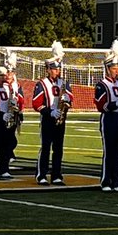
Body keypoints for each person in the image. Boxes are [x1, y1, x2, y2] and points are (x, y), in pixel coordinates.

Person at [32, 42, 72, 185]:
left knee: (58, 149)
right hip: (48, 119)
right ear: (48, 69)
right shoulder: (42, 83)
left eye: (58, 69)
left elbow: (70, 98)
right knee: (46, 147)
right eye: (54, 69)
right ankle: (41, 174)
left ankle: (56, 175)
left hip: (61, 118)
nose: (57, 72)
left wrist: (67, 100)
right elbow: (36, 104)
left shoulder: (64, 83)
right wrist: (50, 112)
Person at [93, 41, 118, 192]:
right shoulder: (102, 85)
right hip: (109, 119)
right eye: (114, 68)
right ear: (108, 69)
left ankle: (117, 181)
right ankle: (106, 181)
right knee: (109, 151)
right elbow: (102, 106)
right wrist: (117, 103)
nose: (117, 71)